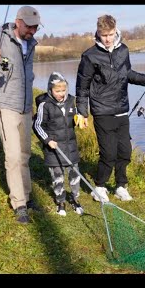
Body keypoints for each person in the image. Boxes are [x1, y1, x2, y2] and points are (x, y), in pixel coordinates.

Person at [75, 14, 145, 203]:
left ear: (116, 31)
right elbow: (82, 85)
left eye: (110, 34)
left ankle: (121, 186)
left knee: (125, 151)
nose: (108, 39)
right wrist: (82, 112)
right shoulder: (90, 55)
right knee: (108, 152)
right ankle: (100, 187)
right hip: (102, 110)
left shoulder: (123, 50)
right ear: (98, 33)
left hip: (121, 108)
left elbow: (127, 73)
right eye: (104, 35)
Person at [0, 6, 42, 224]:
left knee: (24, 155)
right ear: (18, 22)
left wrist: (31, 106)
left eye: (36, 27)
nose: (33, 30)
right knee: (12, 156)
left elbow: (27, 77)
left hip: (24, 106)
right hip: (4, 104)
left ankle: (28, 197)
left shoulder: (31, 44)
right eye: (29, 26)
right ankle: (19, 204)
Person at [32, 72, 84, 216]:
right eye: (57, 91)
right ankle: (60, 201)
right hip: (54, 149)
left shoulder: (71, 101)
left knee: (75, 175)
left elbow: (76, 115)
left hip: (71, 147)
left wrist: (79, 117)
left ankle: (75, 199)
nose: (61, 94)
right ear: (50, 90)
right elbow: (37, 125)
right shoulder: (45, 105)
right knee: (58, 177)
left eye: (63, 90)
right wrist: (48, 140)